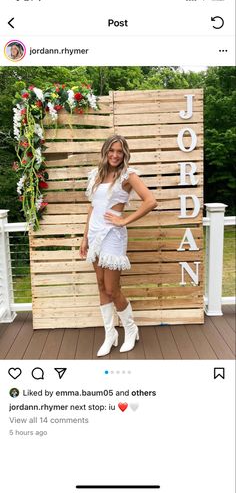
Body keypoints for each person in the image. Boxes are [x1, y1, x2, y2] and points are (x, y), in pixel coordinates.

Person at [79, 134, 157, 356]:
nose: (115, 155)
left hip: (113, 236)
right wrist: (84, 237)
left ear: (124, 154)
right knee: (101, 287)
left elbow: (150, 201)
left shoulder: (127, 176)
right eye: (111, 150)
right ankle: (110, 333)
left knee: (113, 289)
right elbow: (92, 207)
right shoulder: (96, 175)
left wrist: (124, 220)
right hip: (94, 235)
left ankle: (131, 329)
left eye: (119, 151)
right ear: (105, 152)